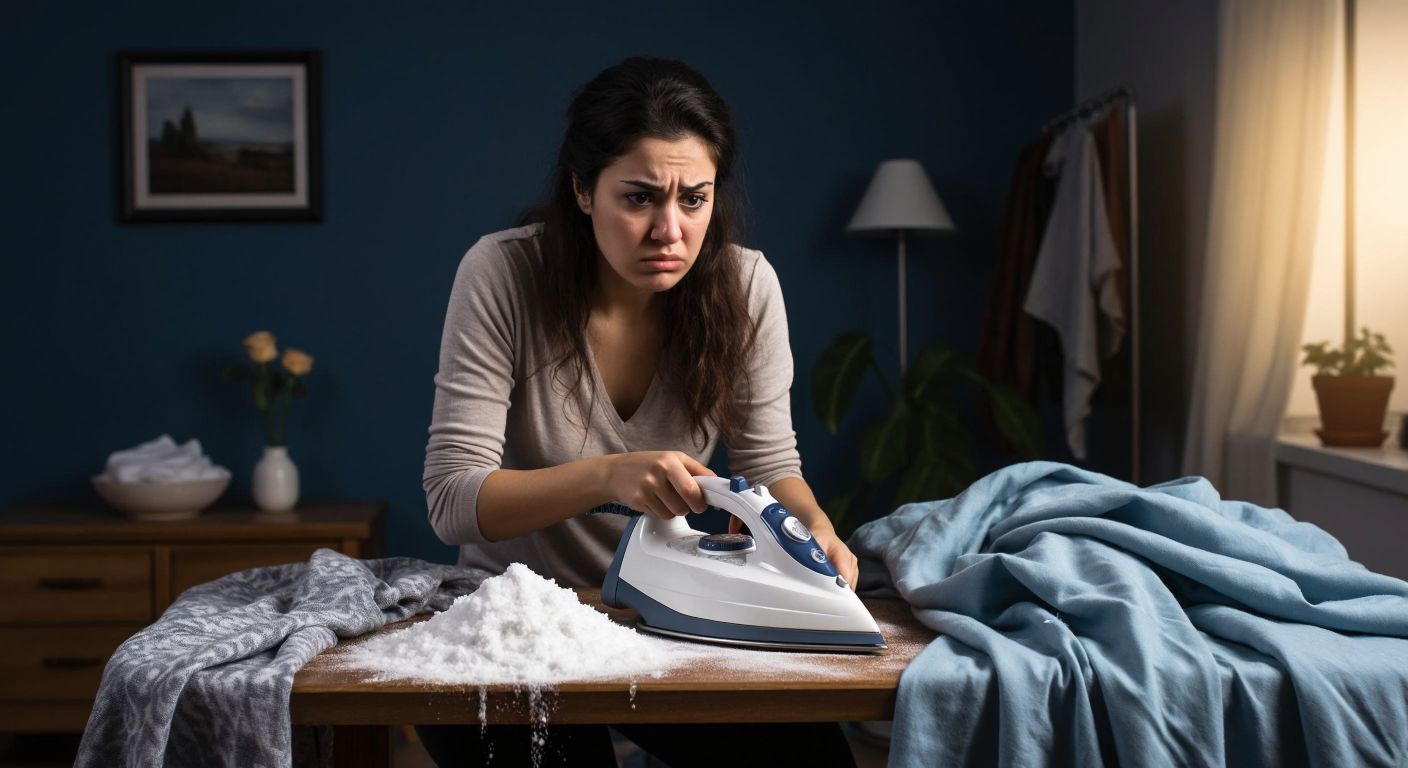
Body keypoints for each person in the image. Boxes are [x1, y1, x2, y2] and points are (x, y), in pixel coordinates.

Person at [420, 56, 860, 768]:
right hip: (514, 622)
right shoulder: (502, 275)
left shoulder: (746, 287)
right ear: (582, 190)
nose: (669, 230)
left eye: (695, 198)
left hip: (666, 620)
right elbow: (452, 499)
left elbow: (770, 464)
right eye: (639, 198)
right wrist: (608, 477)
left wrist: (812, 526)